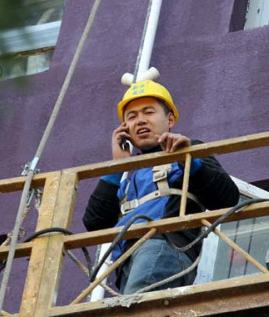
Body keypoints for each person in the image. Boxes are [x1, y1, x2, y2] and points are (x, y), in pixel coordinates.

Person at [83, 80, 239, 295]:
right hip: (127, 264)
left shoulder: (188, 152)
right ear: (124, 129)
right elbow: (94, 223)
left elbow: (227, 198)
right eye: (132, 116)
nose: (140, 121)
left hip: (162, 247)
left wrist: (188, 158)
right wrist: (116, 166)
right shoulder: (128, 179)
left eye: (149, 112)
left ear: (170, 119)